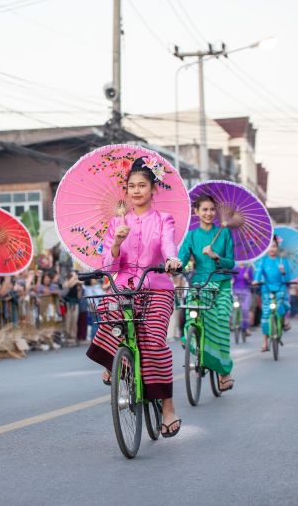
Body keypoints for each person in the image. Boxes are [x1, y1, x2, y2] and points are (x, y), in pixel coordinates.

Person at [87, 157, 183, 437]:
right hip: (125, 286)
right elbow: (109, 266)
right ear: (126, 191)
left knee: (153, 340)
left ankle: (168, 408)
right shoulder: (117, 222)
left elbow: (167, 244)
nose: (137, 190)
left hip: (157, 287)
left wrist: (172, 259)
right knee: (109, 315)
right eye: (132, 186)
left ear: (153, 189)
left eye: (142, 185)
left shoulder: (164, 219)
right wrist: (116, 241)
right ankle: (115, 363)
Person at [180, 194, 237, 390]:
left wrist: (216, 256)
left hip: (221, 284)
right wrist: (175, 264)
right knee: (192, 312)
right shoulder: (191, 236)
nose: (209, 213)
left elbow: (231, 262)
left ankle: (224, 371)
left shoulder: (225, 233)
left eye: (212, 209)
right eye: (204, 209)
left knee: (221, 320)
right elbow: (182, 258)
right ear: (196, 212)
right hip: (199, 284)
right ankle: (192, 341)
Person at [253, 237, 291, 351]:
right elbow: (258, 273)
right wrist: (256, 280)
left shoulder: (282, 261)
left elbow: (288, 278)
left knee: (282, 306)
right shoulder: (263, 261)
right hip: (266, 289)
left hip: (280, 288)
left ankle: (283, 321)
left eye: (274, 246)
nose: (271, 249)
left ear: (277, 248)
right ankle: (265, 343)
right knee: (265, 315)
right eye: (269, 246)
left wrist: (283, 271)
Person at [232, 262, 254, 338]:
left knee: (245, 309)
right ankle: (234, 323)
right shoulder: (234, 269)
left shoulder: (248, 269)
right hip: (235, 291)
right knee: (234, 307)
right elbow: (232, 280)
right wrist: (231, 281)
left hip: (246, 291)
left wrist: (247, 278)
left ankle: (246, 328)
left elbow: (251, 282)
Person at [62, 270, 81, 342]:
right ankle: (67, 336)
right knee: (68, 319)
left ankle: (73, 336)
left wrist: (79, 290)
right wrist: (74, 279)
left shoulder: (78, 283)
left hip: (75, 303)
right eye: (73, 275)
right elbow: (67, 286)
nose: (74, 276)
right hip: (67, 303)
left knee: (74, 320)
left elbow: (79, 296)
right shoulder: (67, 280)